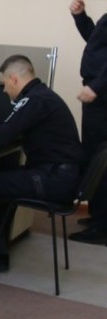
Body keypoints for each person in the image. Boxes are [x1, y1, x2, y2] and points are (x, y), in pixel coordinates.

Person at [0, 55, 84, 271]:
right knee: (1, 172)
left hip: (54, 180)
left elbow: (4, 136)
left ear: (13, 78)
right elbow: (15, 124)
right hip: (61, 176)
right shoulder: (41, 96)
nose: (4, 91)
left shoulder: (35, 100)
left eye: (4, 84)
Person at [68, 0, 107, 244]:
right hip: (98, 95)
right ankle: (98, 217)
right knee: (95, 157)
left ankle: (101, 226)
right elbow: (96, 43)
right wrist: (81, 17)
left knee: (101, 160)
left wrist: (96, 87)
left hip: (102, 97)